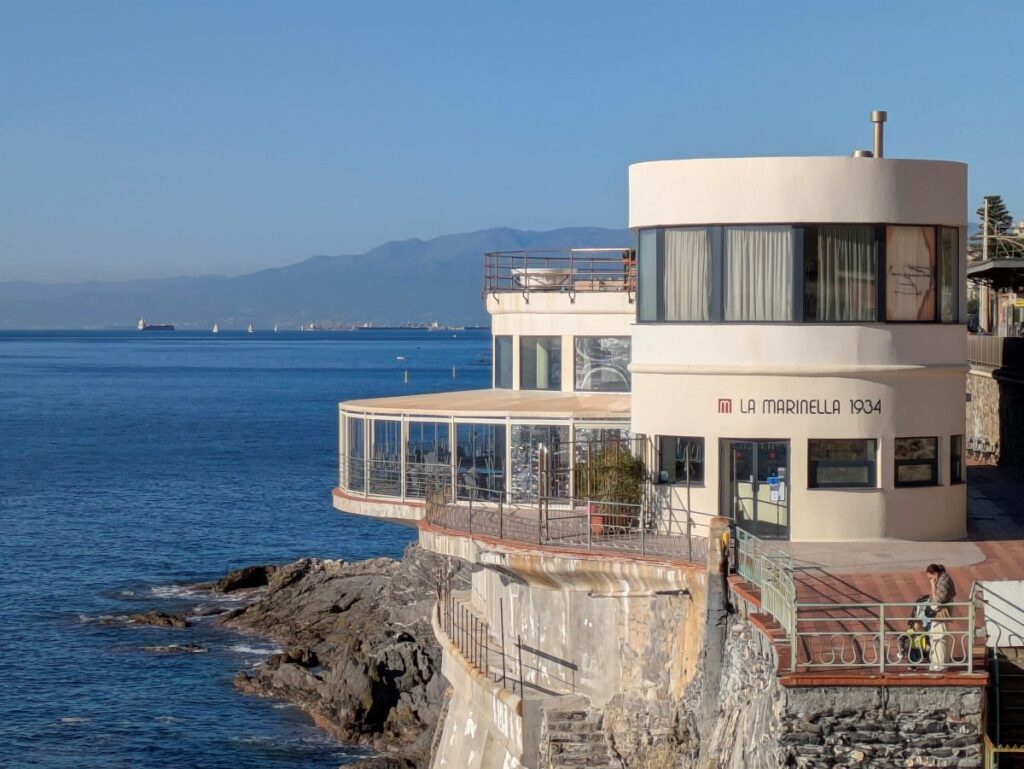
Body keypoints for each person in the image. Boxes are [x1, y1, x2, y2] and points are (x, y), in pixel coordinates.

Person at [926, 563, 956, 672]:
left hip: (941, 614)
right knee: (935, 637)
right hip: (938, 615)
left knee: (940, 638)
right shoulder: (942, 579)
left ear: (936, 574)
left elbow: (938, 601)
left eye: (931, 577)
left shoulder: (944, 582)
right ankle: (937, 662)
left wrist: (933, 586)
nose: (930, 580)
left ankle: (941, 663)